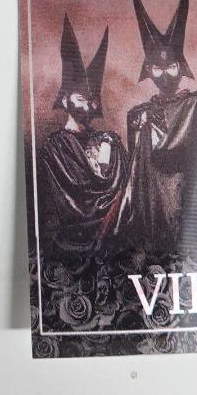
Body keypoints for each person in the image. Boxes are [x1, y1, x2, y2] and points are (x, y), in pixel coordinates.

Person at [107, 0, 197, 255]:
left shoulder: (195, 104)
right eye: (157, 69)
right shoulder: (140, 115)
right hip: (155, 201)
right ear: (148, 71)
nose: (165, 75)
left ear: (181, 67)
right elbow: (136, 169)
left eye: (171, 67)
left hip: (189, 194)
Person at [39, 16, 128, 254]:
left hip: (112, 238)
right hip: (71, 241)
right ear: (65, 99)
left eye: (91, 101)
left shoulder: (110, 141)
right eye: (80, 99)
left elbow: (123, 190)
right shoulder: (55, 146)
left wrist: (108, 152)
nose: (87, 106)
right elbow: (71, 195)